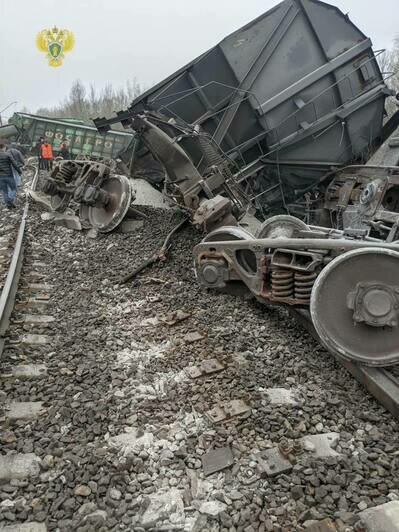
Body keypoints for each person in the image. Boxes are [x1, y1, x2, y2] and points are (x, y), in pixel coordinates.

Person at [0, 143, 21, 209]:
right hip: (9, 175)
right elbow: (14, 164)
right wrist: (19, 171)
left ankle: (9, 204)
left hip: (1, 177)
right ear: (3, 148)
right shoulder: (7, 154)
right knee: (14, 188)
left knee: (4, 191)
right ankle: (10, 200)